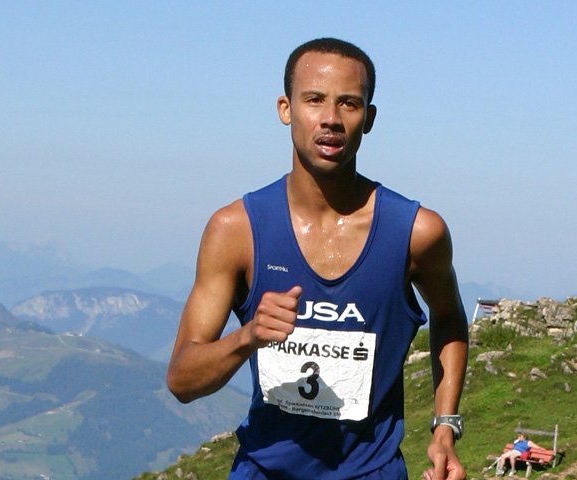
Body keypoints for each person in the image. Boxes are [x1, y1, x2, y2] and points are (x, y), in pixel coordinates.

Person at [166, 37, 470, 480]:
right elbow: (182, 380)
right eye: (314, 100)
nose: (330, 119)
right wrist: (247, 336)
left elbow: (450, 318)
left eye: (349, 103)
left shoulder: (417, 233)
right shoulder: (236, 231)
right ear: (285, 109)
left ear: (369, 118)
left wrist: (445, 427)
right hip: (263, 469)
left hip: (372, 471)